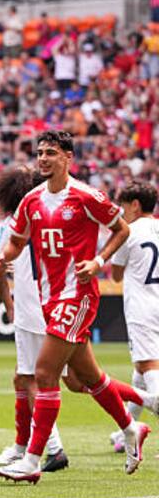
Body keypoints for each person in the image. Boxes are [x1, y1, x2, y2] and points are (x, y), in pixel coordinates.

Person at [0, 131, 151, 484]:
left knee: (44, 373)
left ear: (67, 157)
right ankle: (130, 427)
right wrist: (3, 258)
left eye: (51, 153)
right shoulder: (31, 201)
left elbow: (121, 229)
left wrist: (98, 261)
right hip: (51, 299)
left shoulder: (85, 196)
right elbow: (17, 243)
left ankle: (33, 459)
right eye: (40, 153)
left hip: (77, 296)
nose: (43, 158)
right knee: (89, 379)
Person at [0, 166, 69, 472]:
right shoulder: (52, 216)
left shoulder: (12, 224)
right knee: (80, 378)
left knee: (32, 378)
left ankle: (53, 447)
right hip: (61, 303)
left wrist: (8, 303)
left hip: (30, 308)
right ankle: (132, 416)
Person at [109, 181, 159, 451]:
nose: (121, 212)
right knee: (139, 372)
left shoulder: (127, 232)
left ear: (136, 205)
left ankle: (133, 429)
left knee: (149, 367)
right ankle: (126, 430)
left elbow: (116, 275)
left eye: (124, 206)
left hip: (143, 308)